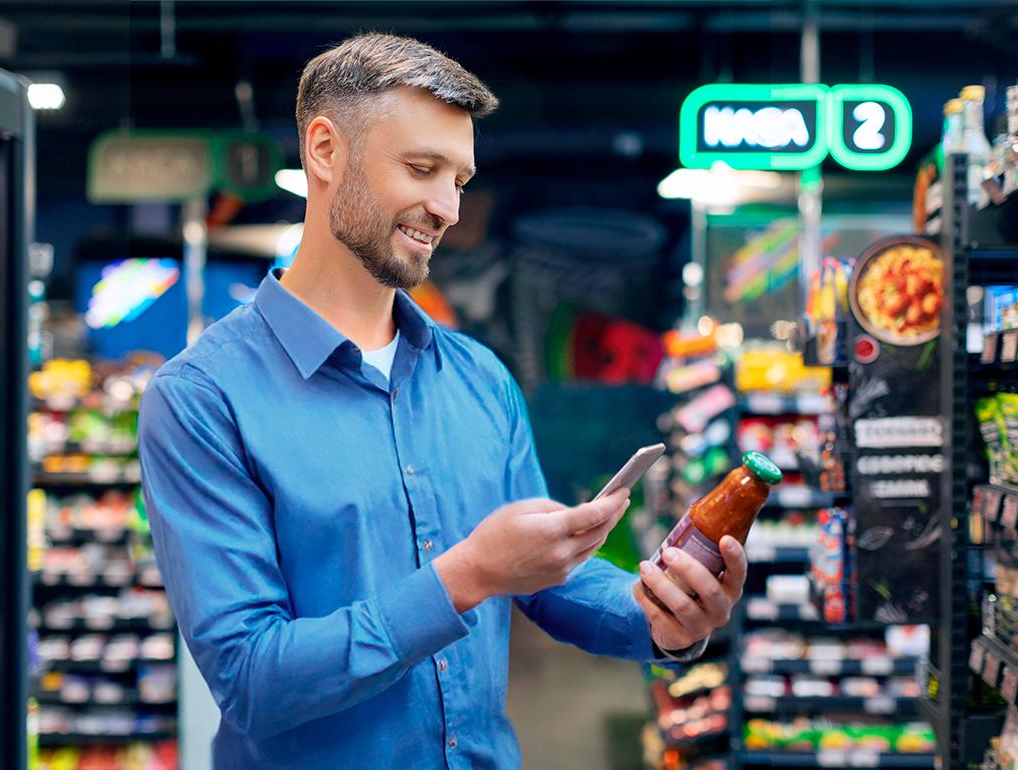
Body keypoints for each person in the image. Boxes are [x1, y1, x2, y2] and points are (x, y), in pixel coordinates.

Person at [138, 32, 747, 769]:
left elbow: (550, 578)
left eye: (458, 179)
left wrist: (659, 615)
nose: (447, 208)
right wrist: (468, 576)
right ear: (326, 151)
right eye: (422, 169)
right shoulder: (202, 399)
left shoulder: (479, 377)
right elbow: (251, 679)